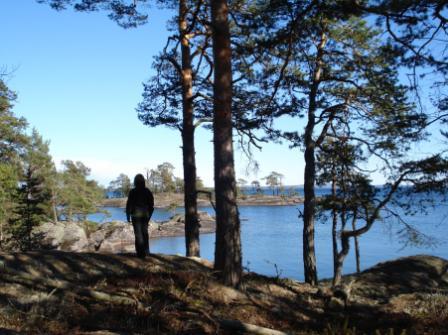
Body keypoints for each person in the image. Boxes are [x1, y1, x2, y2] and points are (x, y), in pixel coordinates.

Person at [126, 174, 154, 258]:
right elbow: (151, 205)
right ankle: (146, 251)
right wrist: (149, 215)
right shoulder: (147, 191)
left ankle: (140, 253)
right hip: (145, 215)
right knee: (144, 233)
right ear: (143, 182)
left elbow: (129, 204)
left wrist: (128, 215)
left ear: (135, 182)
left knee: (138, 234)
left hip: (135, 215)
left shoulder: (132, 191)